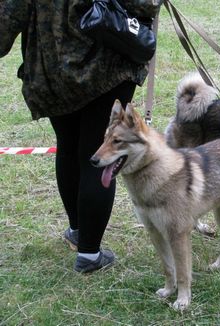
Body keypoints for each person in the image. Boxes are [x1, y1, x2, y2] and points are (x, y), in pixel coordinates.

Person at [0, 0, 162, 272]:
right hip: (107, 68)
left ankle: (79, 232)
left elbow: (7, 17)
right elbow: (144, 4)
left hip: (51, 72)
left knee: (69, 148)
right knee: (94, 155)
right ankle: (88, 253)